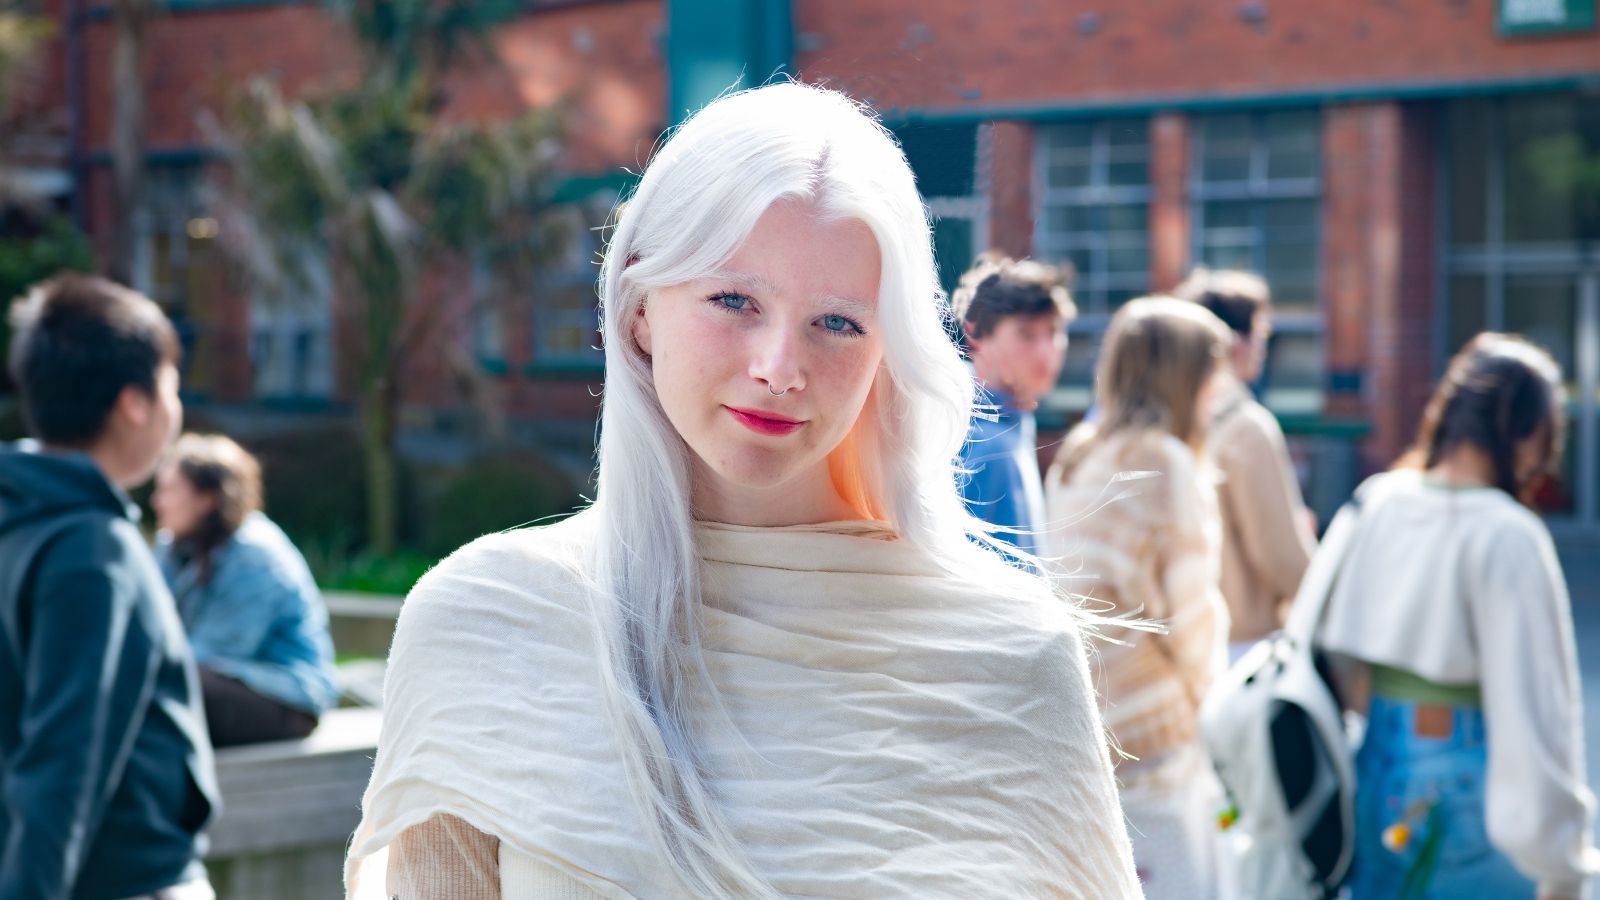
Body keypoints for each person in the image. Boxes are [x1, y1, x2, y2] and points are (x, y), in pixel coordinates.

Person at [345, 82, 1140, 899]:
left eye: (838, 322)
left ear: (889, 349)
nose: (779, 368)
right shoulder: (489, 621)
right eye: (733, 299)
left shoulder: (1014, 655)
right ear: (639, 310)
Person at [1311, 333, 1598, 900]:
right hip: (1471, 775)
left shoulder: (1383, 499)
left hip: (1378, 765)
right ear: (1525, 432)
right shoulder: (1507, 530)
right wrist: (1562, 861)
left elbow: (1337, 656)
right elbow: (1538, 709)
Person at [0, 275, 218, 900]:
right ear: (134, 403)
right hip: (127, 880)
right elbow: (64, 759)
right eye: (171, 385)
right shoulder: (93, 549)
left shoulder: (23, 517)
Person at [1044, 297, 1235, 899]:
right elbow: (1193, 617)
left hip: (1083, 715)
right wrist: (1212, 710)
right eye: (1211, 374)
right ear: (1185, 378)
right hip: (1153, 729)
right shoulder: (1167, 462)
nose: (1218, 391)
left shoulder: (1080, 452)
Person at [152, 433, 340, 748]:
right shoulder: (172, 545)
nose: (158, 501)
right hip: (216, 680)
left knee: (172, 686)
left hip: (285, 699)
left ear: (207, 498)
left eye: (170, 490)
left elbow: (218, 652)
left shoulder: (255, 555)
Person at [1173, 267, 1315, 663]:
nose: (1263, 347)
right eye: (1261, 334)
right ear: (1236, 343)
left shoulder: (1165, 422)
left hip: (1180, 640)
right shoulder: (1247, 427)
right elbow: (1280, 555)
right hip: (1246, 644)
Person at [953, 253, 1074, 556]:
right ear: (975, 332)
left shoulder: (1014, 420)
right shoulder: (975, 440)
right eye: (1026, 334)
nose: (1046, 352)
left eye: (1054, 332)